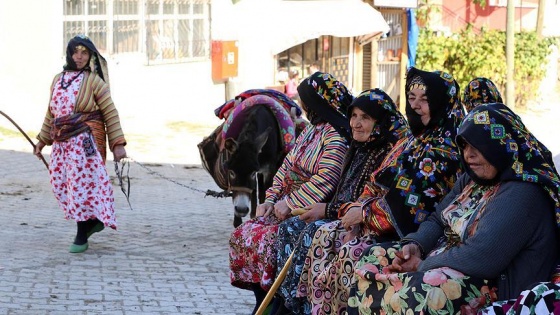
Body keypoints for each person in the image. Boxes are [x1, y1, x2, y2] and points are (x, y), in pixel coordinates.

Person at [347, 102, 560, 314]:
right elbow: (438, 218)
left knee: (426, 292)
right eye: (465, 145)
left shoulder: (523, 192)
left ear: (502, 144)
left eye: (478, 145)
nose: (468, 154)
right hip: (444, 263)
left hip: (494, 288)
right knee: (375, 256)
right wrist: (416, 245)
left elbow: (482, 256)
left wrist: (421, 265)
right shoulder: (473, 179)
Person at [299, 67, 465, 315]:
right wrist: (357, 212)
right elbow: (376, 182)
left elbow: (409, 206)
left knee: (353, 253)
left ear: (443, 102)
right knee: (326, 236)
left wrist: (362, 214)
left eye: (426, 100)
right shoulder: (412, 141)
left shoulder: (446, 148)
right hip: (379, 224)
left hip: (420, 237)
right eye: (411, 98)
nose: (416, 106)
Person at [272, 89, 411, 314]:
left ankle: (309, 307)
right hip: (346, 216)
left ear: (380, 122)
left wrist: (329, 210)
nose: (356, 123)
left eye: (365, 118)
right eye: (354, 116)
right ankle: (292, 303)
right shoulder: (358, 147)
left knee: (317, 233)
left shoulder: (389, 152)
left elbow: (376, 200)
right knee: (300, 229)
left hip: (375, 226)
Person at [228, 72, 353, 314]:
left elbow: (326, 178)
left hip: (306, 208)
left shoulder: (336, 136)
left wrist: (290, 203)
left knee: (271, 239)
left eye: (305, 102)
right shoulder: (311, 131)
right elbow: (286, 168)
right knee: (245, 233)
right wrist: (270, 200)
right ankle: (262, 298)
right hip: (284, 204)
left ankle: (281, 303)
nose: (303, 107)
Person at [34, 34, 127, 254]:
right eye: (75, 51)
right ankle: (92, 221)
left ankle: (81, 233)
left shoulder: (94, 81)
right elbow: (51, 112)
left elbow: (110, 111)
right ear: (69, 53)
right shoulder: (58, 79)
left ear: (91, 55)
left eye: (84, 52)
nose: (79, 56)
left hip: (84, 142)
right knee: (63, 184)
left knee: (79, 185)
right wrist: (41, 140)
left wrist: (118, 144)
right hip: (62, 143)